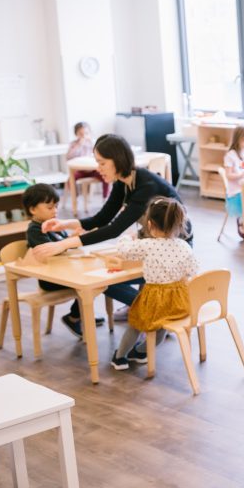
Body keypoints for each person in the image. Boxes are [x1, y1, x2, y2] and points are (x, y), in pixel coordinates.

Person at [32, 134, 191, 321]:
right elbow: (103, 218)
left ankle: (154, 311)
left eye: (102, 163)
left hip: (172, 250)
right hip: (153, 246)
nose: (98, 168)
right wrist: (66, 224)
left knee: (107, 282)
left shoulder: (146, 185)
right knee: (107, 276)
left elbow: (115, 229)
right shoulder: (123, 182)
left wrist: (64, 244)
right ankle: (148, 308)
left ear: (118, 160)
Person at [107, 197, 199, 370]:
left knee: (135, 324)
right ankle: (141, 352)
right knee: (161, 327)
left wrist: (127, 237)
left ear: (149, 224)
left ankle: (119, 358)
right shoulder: (184, 246)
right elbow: (192, 271)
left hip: (153, 299)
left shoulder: (147, 245)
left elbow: (124, 251)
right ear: (178, 224)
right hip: (179, 302)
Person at [21, 183, 105, 337]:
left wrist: (73, 238)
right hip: (51, 279)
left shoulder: (55, 226)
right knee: (89, 283)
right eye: (49, 207)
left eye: (56, 206)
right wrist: (68, 243)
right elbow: (51, 251)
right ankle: (75, 317)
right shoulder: (35, 229)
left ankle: (81, 314)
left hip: (66, 272)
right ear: (33, 210)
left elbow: (64, 246)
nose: (55, 211)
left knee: (95, 280)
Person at [66, 121, 108, 199]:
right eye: (80, 134)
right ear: (76, 134)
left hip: (93, 170)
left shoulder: (93, 143)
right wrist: (79, 144)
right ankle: (75, 197)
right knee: (70, 180)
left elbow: (99, 154)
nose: (84, 136)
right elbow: (68, 157)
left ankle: (105, 196)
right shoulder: (73, 144)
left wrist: (92, 143)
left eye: (86, 133)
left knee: (106, 176)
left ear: (90, 133)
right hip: (80, 170)